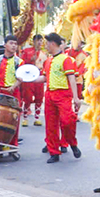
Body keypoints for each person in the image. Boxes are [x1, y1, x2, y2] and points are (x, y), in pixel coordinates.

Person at [37, 32, 82, 163]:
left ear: (52, 43)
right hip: (50, 94)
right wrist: (29, 79)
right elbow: (44, 78)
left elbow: (72, 78)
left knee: (67, 121)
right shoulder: (48, 60)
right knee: (50, 125)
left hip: (63, 95)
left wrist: (76, 97)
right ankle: (54, 152)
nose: (45, 46)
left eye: (47, 43)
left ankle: (72, 143)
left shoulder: (66, 59)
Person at [19, 34, 45, 125]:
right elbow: (21, 63)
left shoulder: (44, 53)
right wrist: (30, 60)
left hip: (39, 77)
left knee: (39, 97)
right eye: (38, 40)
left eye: (41, 41)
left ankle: (37, 118)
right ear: (33, 41)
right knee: (27, 97)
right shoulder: (26, 51)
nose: (39, 42)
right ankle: (25, 117)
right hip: (28, 78)